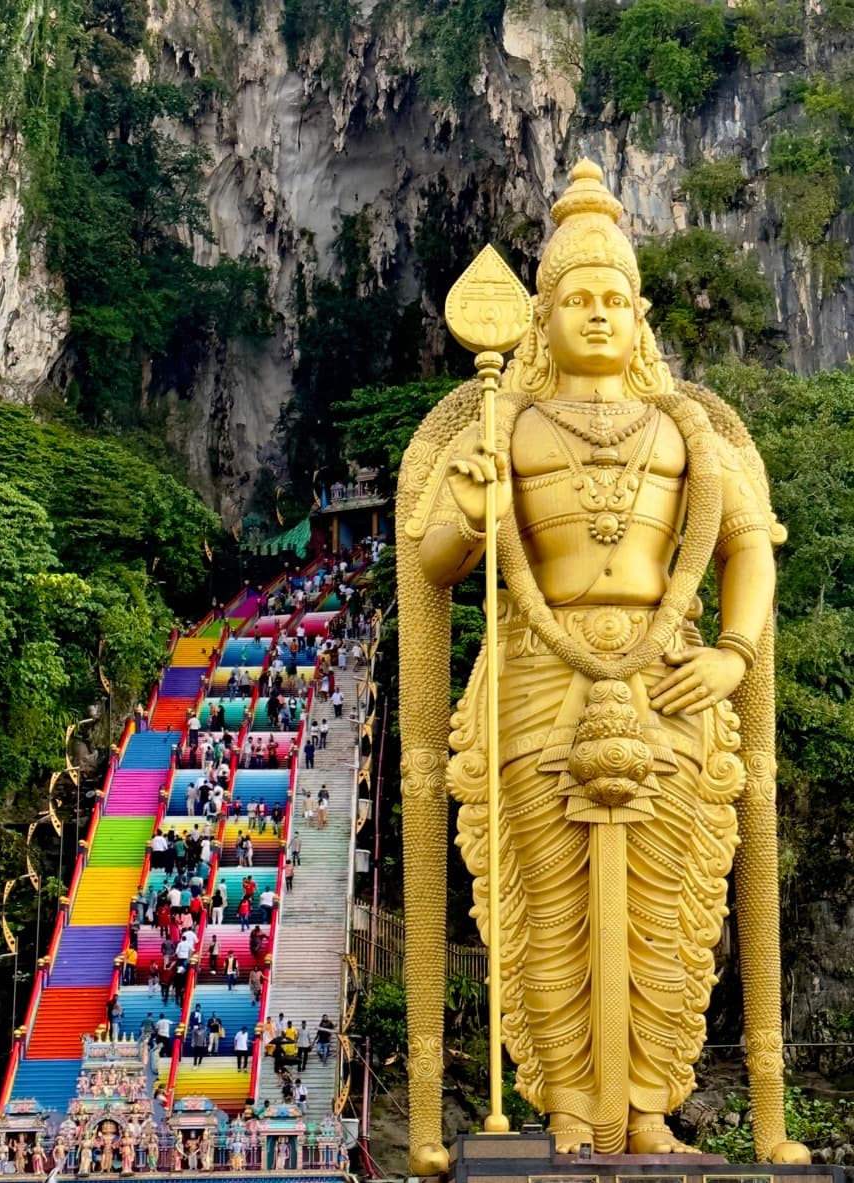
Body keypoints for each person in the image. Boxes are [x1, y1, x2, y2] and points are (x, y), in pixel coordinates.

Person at [397, 160, 806, 1168]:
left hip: (669, 673)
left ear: (639, 312)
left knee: (670, 903)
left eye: (613, 298)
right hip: (539, 670)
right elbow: (436, 555)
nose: (596, 314)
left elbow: (748, 545)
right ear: (541, 313)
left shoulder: (689, 429)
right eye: (575, 297)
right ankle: (571, 1111)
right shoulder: (505, 423)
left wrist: (734, 652)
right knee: (545, 904)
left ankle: (652, 1106)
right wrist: (477, 507)